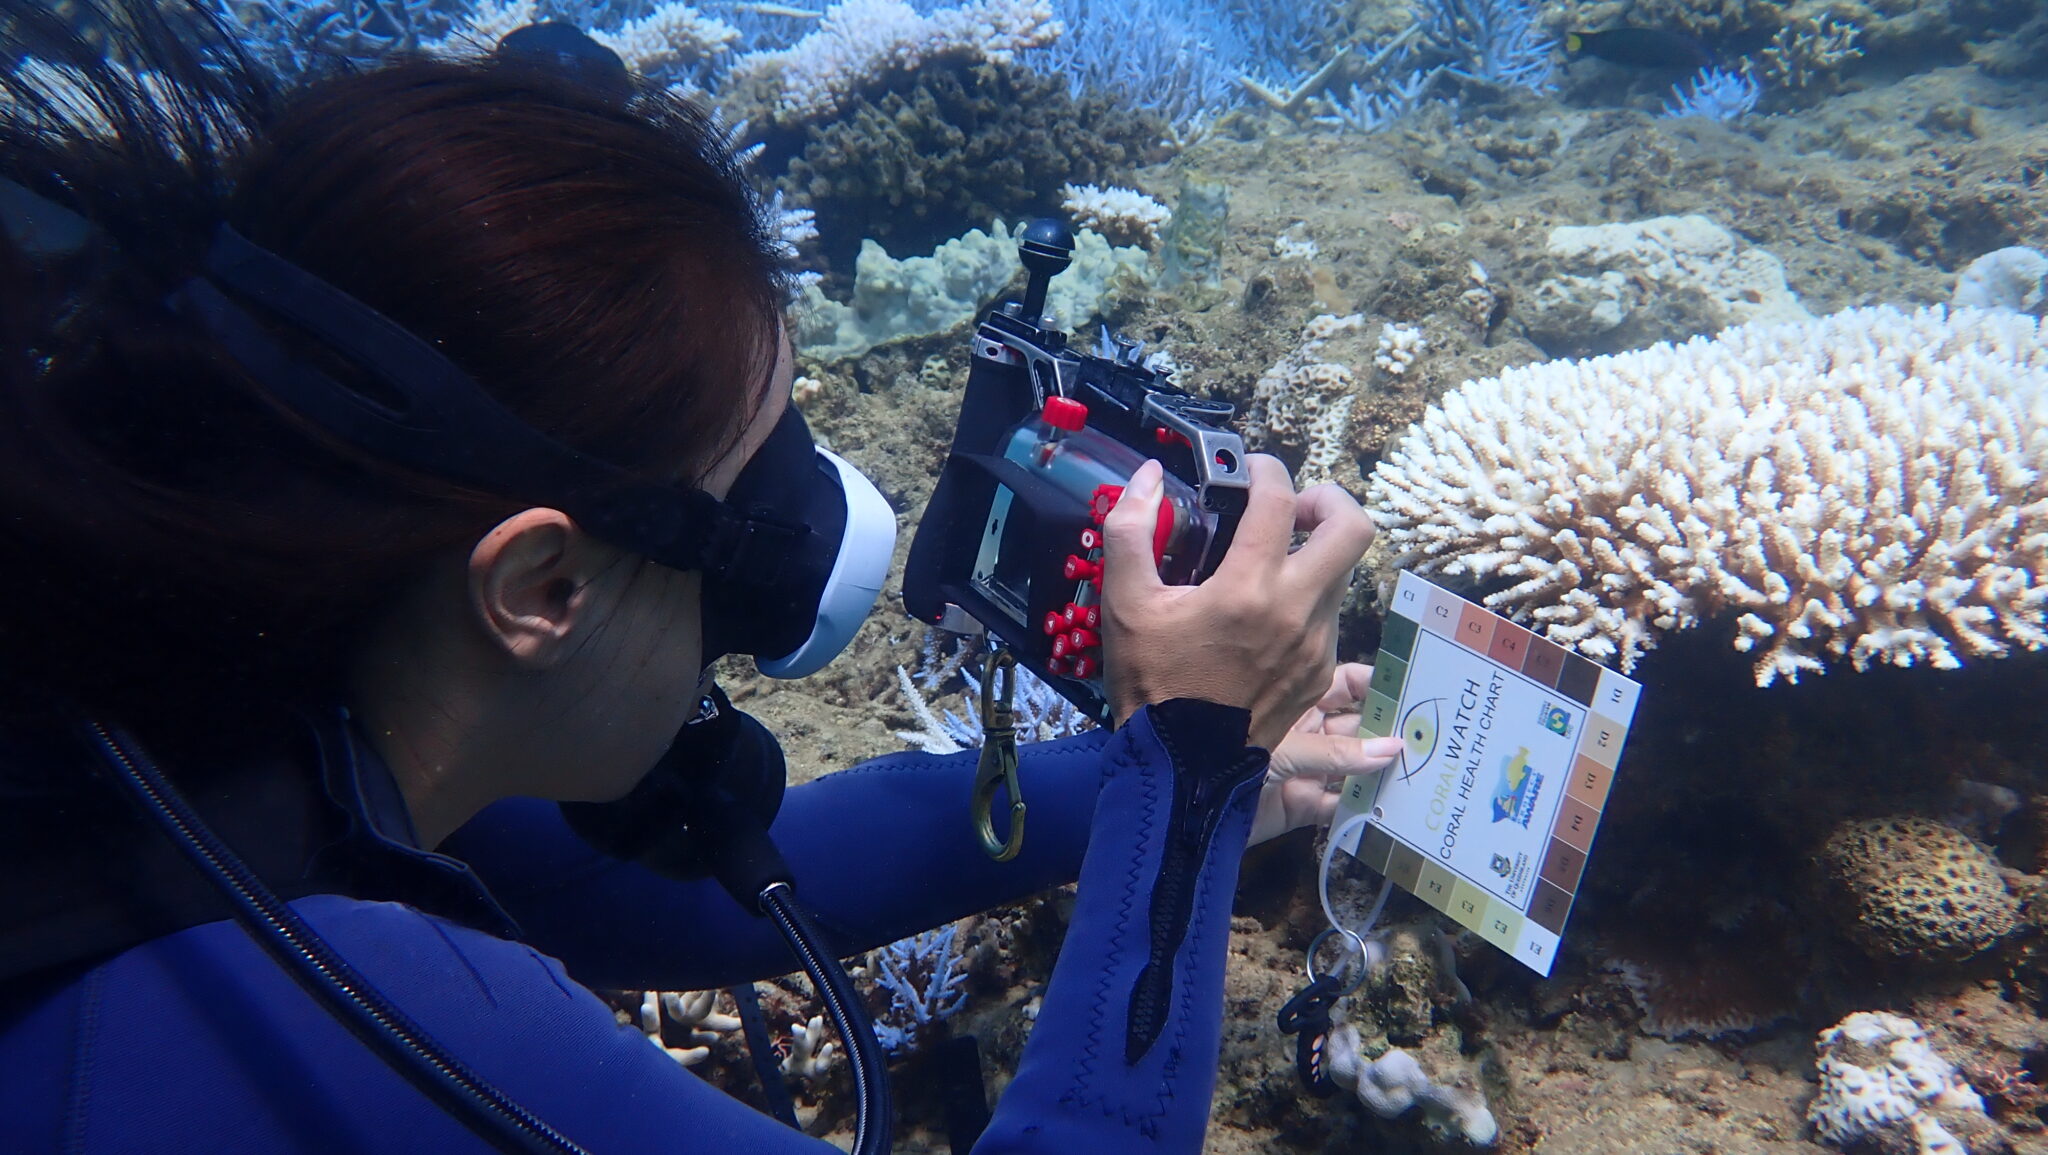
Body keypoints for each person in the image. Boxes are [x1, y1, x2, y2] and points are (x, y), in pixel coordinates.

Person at [0, 3, 1405, 1151]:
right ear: (541, 588)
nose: (807, 530)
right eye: (756, 497)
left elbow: (648, 898)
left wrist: (1172, 788)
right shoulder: (328, 1018)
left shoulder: (228, 689)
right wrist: (1186, 774)